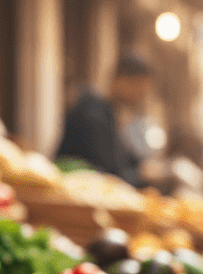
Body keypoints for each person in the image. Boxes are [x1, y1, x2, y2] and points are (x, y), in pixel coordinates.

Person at [57, 55, 153, 187]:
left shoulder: (107, 113)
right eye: (138, 86)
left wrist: (147, 168)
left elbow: (126, 158)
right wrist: (142, 175)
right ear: (120, 80)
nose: (142, 94)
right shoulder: (92, 114)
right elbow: (110, 172)